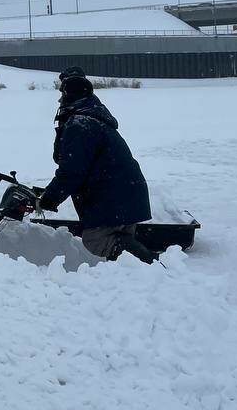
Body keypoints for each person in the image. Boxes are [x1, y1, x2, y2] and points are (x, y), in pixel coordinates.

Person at [38, 67, 158, 264]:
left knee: (96, 240)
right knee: (120, 251)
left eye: (63, 93)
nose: (59, 100)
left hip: (113, 195)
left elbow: (72, 170)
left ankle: (151, 265)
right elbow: (65, 159)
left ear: (71, 94)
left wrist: (50, 198)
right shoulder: (90, 116)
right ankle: (141, 276)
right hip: (125, 193)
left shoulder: (80, 124)